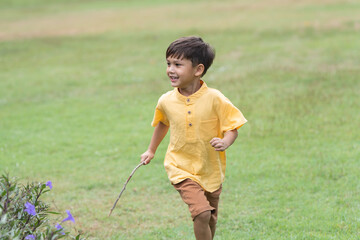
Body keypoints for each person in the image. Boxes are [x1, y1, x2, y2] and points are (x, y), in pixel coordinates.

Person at [140, 36, 247, 240]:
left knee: (210, 218)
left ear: (198, 70)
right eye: (168, 63)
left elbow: (233, 127)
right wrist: (151, 150)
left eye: (178, 64)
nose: (170, 69)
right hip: (180, 166)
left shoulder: (215, 98)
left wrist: (225, 142)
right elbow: (163, 122)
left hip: (210, 169)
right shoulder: (166, 101)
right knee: (202, 213)